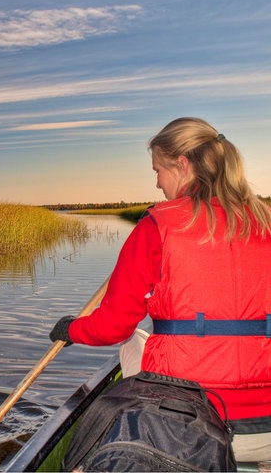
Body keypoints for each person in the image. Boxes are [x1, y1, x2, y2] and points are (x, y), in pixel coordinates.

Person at [49, 117, 271, 462]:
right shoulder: (266, 222)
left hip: (186, 429)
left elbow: (112, 327)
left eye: (158, 171)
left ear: (182, 165)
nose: (157, 184)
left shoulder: (159, 224)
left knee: (132, 338)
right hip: (266, 428)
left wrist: (72, 329)